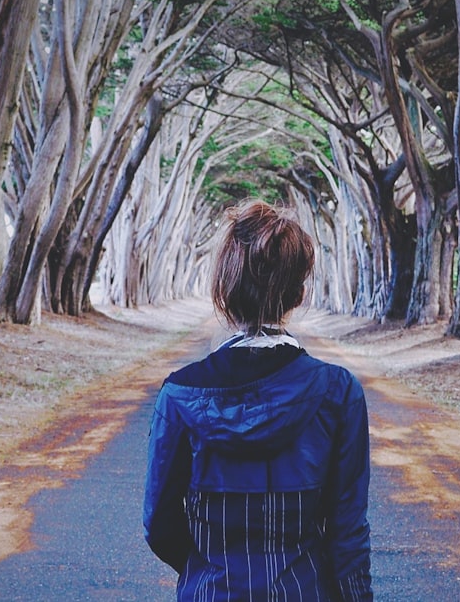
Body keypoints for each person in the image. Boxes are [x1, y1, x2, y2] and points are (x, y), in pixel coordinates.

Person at [143, 199, 373, 601]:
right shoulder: (339, 392)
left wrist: (212, 568)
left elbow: (160, 526)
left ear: (224, 289)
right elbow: (348, 533)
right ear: (298, 292)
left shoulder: (179, 395)